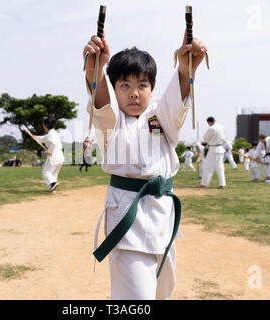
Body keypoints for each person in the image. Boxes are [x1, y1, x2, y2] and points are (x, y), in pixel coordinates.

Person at [84, 28, 208, 300]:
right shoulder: (112, 125)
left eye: (142, 85)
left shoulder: (157, 121)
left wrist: (186, 70)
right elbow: (103, 107)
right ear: (115, 88)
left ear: (152, 89)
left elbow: (174, 107)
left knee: (163, 293)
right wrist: (94, 71)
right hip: (126, 220)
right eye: (124, 85)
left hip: (162, 219)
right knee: (136, 298)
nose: (134, 93)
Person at [35, 116, 65, 192]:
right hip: (60, 157)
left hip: (54, 156)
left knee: (46, 172)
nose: (43, 126)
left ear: (46, 125)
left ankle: (53, 183)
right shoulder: (53, 133)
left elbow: (53, 143)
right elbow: (44, 138)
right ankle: (53, 188)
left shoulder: (51, 134)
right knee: (53, 174)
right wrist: (35, 137)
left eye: (44, 124)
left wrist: (50, 151)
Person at [197, 117, 226, 189]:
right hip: (220, 148)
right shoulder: (222, 127)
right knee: (220, 168)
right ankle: (222, 184)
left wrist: (203, 142)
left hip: (213, 149)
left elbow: (205, 139)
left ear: (209, 122)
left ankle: (204, 184)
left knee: (207, 167)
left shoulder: (212, 128)